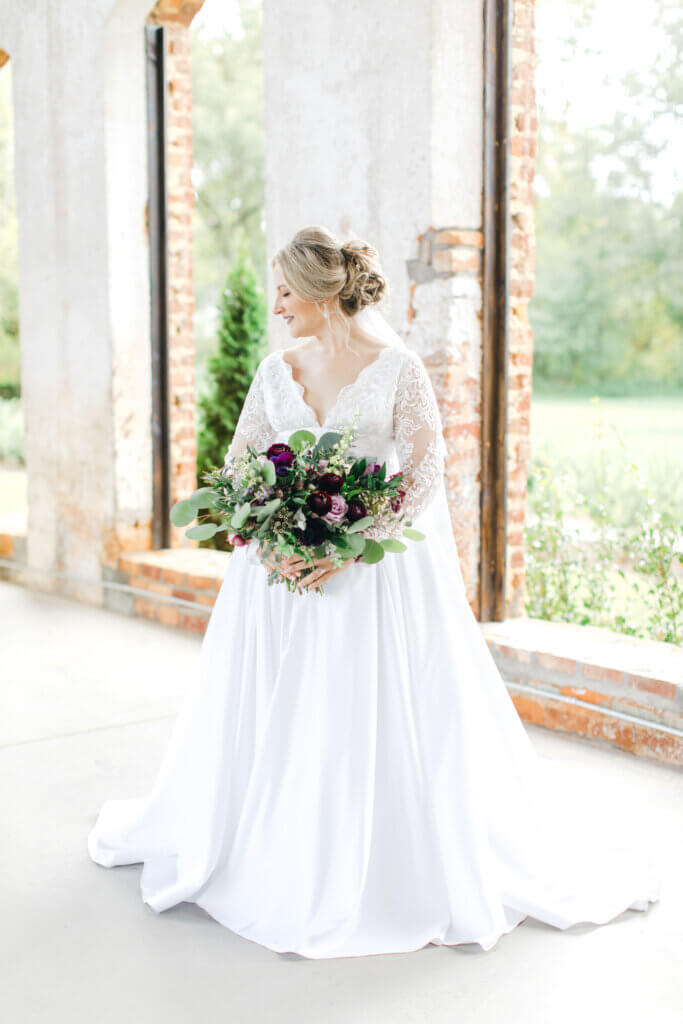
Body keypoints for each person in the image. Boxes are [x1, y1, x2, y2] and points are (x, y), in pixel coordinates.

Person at [88, 225, 660, 959]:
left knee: (365, 705)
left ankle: (381, 858)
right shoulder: (274, 371)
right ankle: (271, 838)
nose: (276, 305)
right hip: (277, 580)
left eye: (286, 291)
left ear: (324, 293)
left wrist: (347, 547)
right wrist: (277, 544)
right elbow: (238, 470)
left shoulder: (396, 370)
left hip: (371, 577)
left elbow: (422, 475)